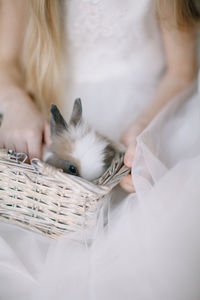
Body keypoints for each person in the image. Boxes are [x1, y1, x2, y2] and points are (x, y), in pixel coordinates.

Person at [0, 1, 199, 299]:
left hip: (151, 103)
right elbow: (6, 59)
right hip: (56, 98)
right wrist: (14, 101)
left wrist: (145, 128)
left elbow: (182, 71)